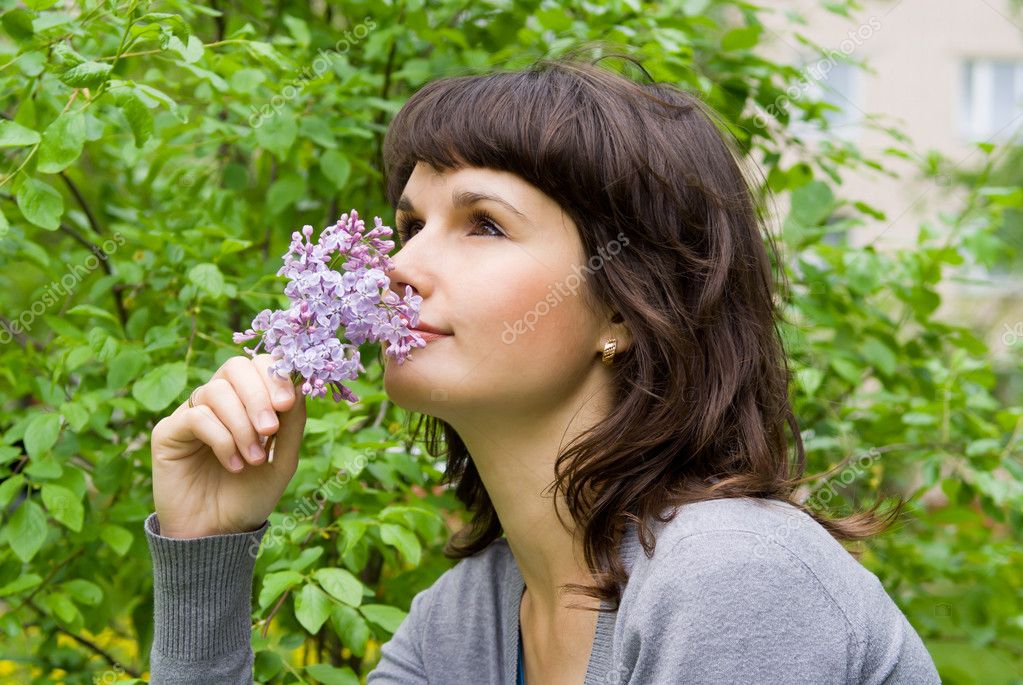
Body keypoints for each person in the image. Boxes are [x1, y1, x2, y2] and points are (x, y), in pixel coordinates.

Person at [145, 55, 941, 684]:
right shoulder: (468, 624)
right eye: (409, 224)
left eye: (482, 224)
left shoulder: (732, 580)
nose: (398, 266)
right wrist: (205, 549)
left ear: (626, 310)